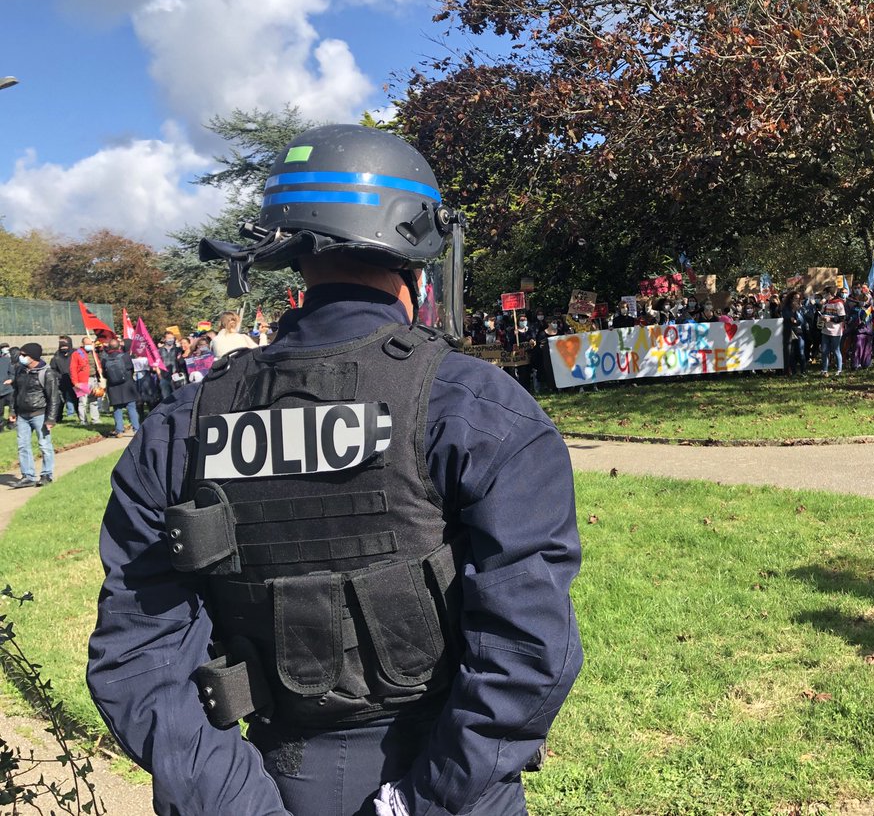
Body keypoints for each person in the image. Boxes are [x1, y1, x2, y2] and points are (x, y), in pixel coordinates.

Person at [88, 124, 583, 816]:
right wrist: (427, 799)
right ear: (414, 252)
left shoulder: (180, 426)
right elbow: (529, 645)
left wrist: (236, 804)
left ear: (289, 253)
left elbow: (140, 650)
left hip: (261, 776)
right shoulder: (478, 408)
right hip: (449, 784)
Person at [11, 343, 58, 488]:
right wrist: (13, 411)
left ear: (34, 357)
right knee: (22, 445)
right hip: (22, 415)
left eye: (24, 355)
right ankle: (28, 475)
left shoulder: (47, 373)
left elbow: (53, 398)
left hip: (39, 414)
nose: (21, 357)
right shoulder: (20, 370)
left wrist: (50, 419)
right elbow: (15, 392)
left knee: (44, 445)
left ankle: (46, 474)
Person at [100, 337, 140, 436]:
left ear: (109, 347)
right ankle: (136, 429)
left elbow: (104, 374)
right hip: (127, 385)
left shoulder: (105, 359)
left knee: (117, 409)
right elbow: (132, 369)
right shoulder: (126, 356)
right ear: (119, 346)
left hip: (113, 387)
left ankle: (119, 430)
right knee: (131, 408)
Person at [70, 335, 102, 425]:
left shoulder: (94, 353)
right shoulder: (76, 354)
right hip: (83, 380)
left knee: (94, 400)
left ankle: (95, 419)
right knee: (83, 402)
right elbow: (73, 368)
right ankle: (83, 420)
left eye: (90, 344)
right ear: (82, 344)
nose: (89, 345)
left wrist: (100, 369)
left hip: (94, 378)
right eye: (87, 344)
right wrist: (75, 382)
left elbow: (97, 364)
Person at [818, 287, 845, 377]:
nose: (824, 296)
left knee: (836, 350)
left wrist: (831, 319)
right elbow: (821, 312)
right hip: (825, 330)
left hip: (835, 331)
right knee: (824, 350)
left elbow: (842, 318)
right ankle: (824, 370)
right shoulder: (826, 303)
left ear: (831, 294)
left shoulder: (839, 303)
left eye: (826, 294)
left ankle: (839, 370)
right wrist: (821, 316)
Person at [50, 335, 77, 422]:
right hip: (61, 381)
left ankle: (81, 417)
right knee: (60, 401)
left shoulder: (75, 353)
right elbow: (53, 369)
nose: (63, 347)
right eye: (61, 345)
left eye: (65, 344)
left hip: (74, 381)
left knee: (77, 400)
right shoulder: (57, 355)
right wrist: (58, 377)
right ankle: (58, 418)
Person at [0, 342, 13, 432]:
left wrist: (11, 379)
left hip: (8, 389)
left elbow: (12, 373)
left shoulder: (6, 360)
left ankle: (11, 423)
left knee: (13, 407)